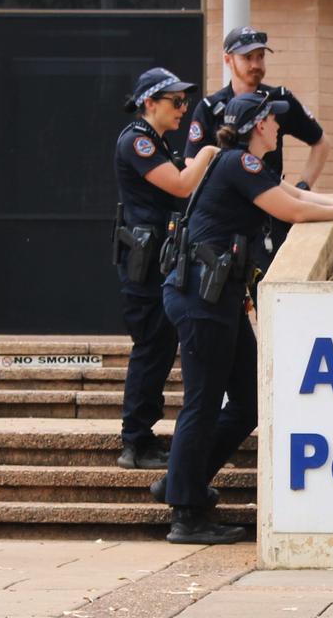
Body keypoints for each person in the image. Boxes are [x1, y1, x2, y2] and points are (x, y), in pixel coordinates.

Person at [158, 92, 333, 544]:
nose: (279, 126)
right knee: (202, 402)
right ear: (258, 126)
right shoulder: (239, 163)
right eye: (272, 121)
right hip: (202, 296)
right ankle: (187, 514)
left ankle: (185, 479)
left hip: (214, 296)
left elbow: (295, 193)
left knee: (249, 398)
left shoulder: (245, 165)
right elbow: (294, 210)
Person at [112, 68, 221, 470]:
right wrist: (208, 153)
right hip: (144, 262)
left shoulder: (155, 141)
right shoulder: (137, 141)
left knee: (159, 346)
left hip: (158, 256)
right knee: (150, 346)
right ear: (150, 103)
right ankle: (135, 442)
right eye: (175, 102)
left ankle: (143, 436)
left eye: (185, 101)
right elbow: (180, 185)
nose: (183, 109)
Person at [185, 26, 330, 279]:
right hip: (229, 224)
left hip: (272, 219)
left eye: (260, 56)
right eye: (247, 57)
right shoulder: (210, 108)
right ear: (227, 59)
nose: (255, 64)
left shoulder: (278, 100)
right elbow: (192, 167)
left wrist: (304, 185)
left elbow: (320, 143)